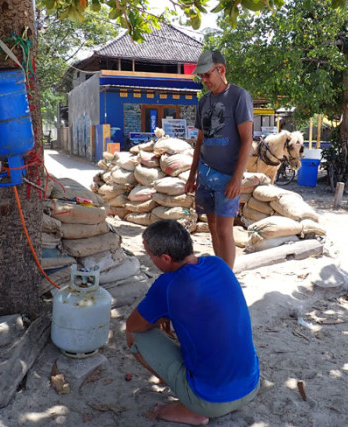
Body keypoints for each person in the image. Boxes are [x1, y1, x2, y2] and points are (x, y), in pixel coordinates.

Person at [126, 220, 260, 425]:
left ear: (165, 258)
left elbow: (134, 326)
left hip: (209, 401)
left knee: (134, 336)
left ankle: (190, 406)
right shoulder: (219, 264)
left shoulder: (168, 284)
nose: (150, 260)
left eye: (150, 255)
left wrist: (159, 317)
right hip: (251, 386)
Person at [185, 50, 253, 269]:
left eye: (206, 75)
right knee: (213, 227)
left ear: (220, 70)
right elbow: (200, 141)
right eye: (201, 77)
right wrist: (192, 175)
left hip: (227, 177)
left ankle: (228, 279)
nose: (204, 81)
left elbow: (247, 140)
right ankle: (220, 272)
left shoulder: (239, 96)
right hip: (205, 174)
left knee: (225, 230)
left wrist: (236, 178)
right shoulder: (204, 101)